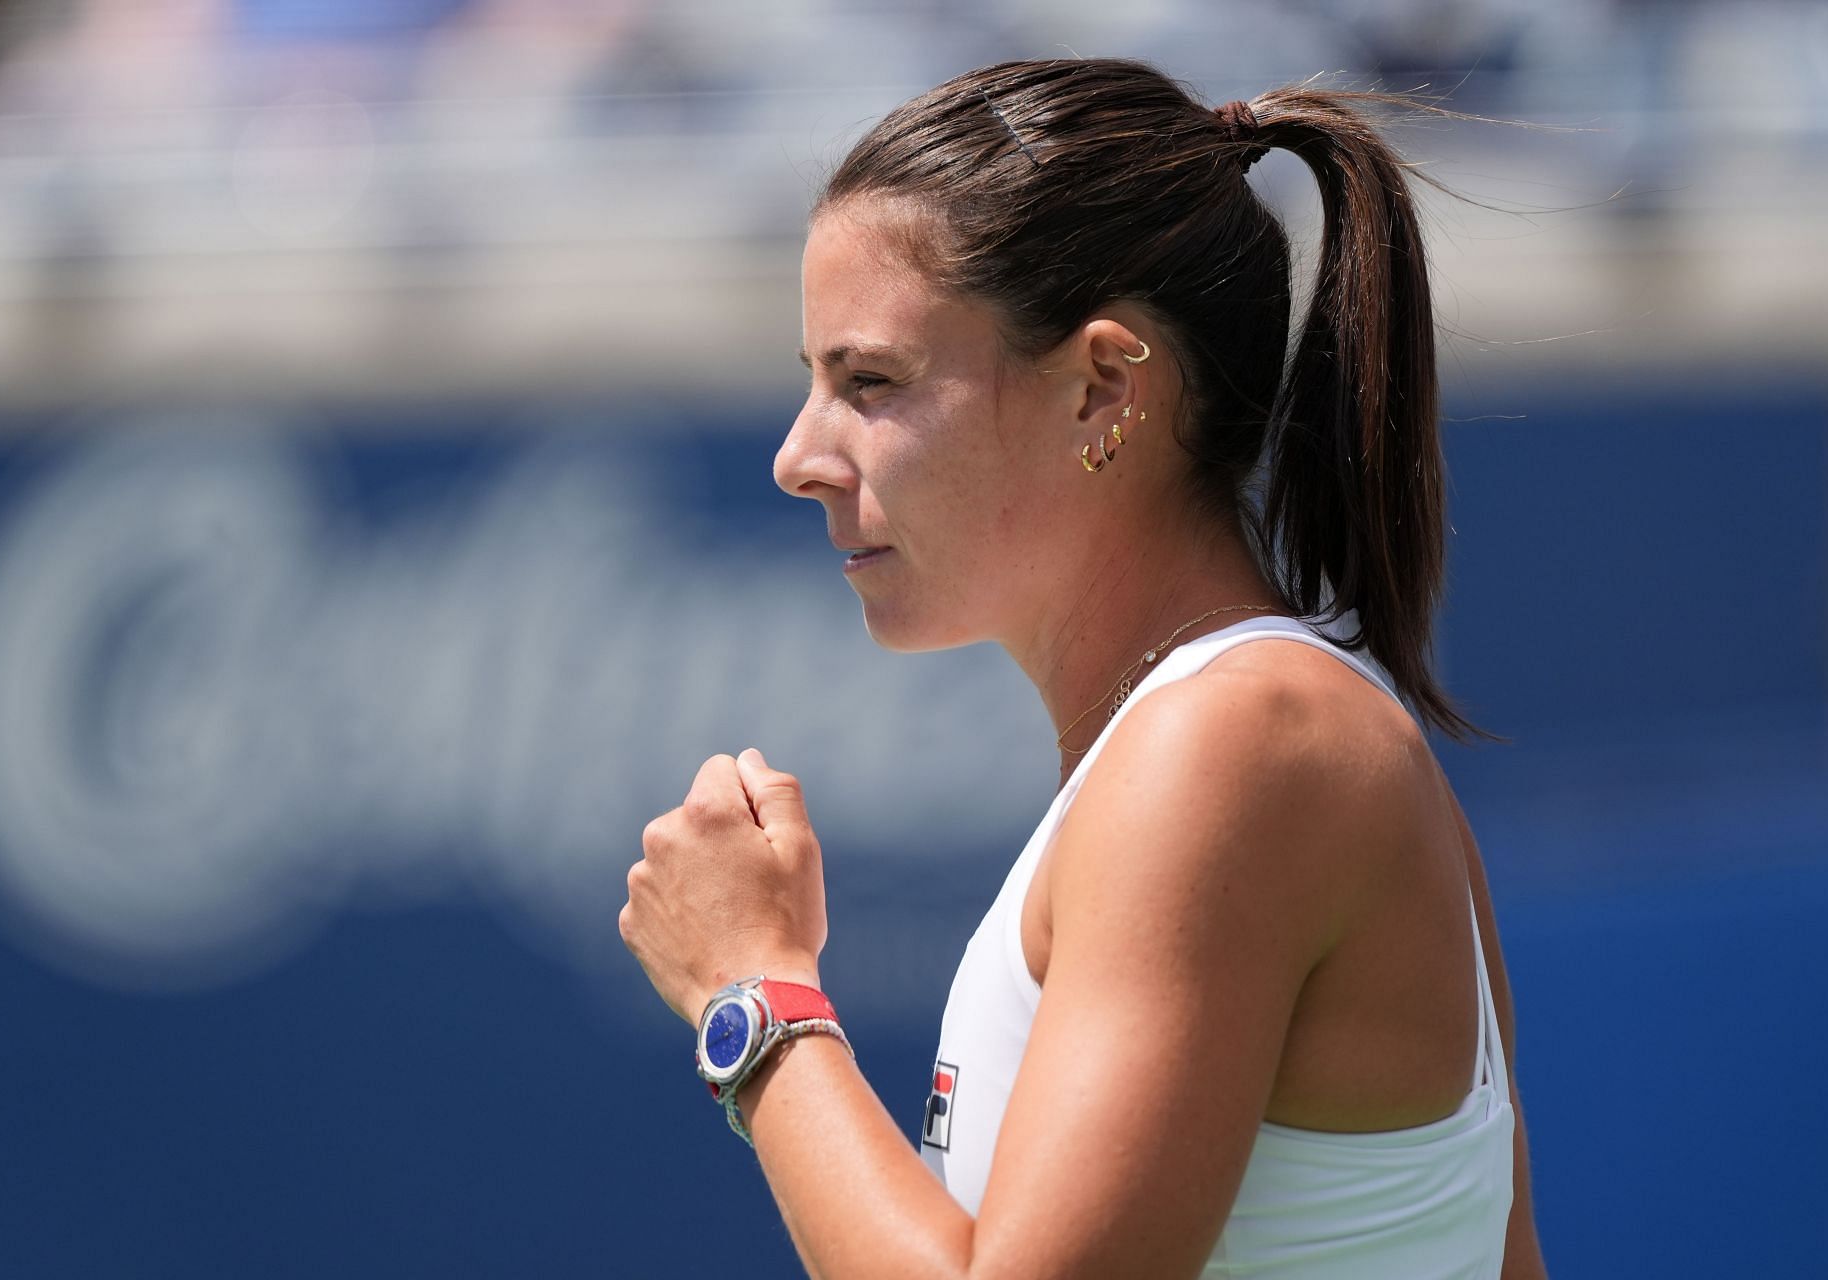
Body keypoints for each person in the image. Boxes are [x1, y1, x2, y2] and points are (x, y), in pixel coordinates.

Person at [619, 56, 1547, 1279]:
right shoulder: (1249, 734)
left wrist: (757, 993)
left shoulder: (1237, 741)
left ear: (1103, 388)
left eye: (871, 381)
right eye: (814, 382)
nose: (800, 455)